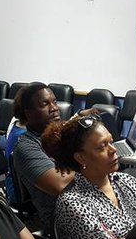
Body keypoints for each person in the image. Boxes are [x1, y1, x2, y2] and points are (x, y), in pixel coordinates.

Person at [12, 84, 98, 230]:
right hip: (64, 216)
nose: (54, 108)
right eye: (45, 104)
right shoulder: (26, 147)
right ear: (28, 113)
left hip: (89, 199)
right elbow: (59, 184)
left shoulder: (60, 132)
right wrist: (91, 160)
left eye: (55, 102)